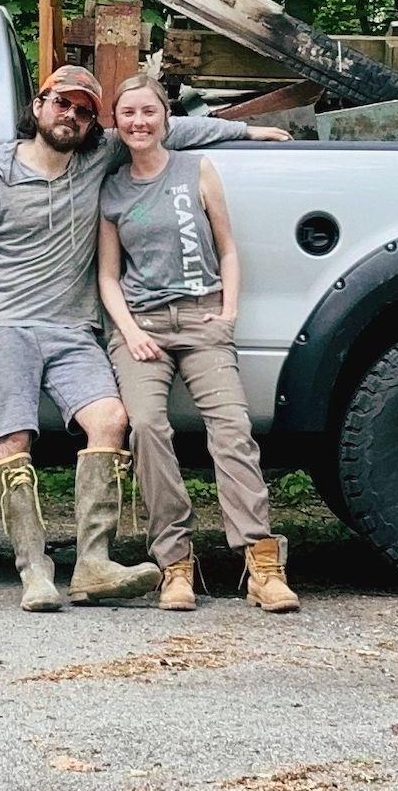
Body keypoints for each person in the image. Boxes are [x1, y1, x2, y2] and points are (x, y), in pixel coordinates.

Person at [0, 63, 287, 610]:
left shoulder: (98, 156)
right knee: (13, 439)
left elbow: (162, 126)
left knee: (111, 419)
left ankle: (93, 565)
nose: (71, 116)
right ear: (39, 107)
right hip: (4, 328)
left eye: (83, 110)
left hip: (73, 330)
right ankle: (34, 572)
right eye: (62, 104)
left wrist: (246, 131)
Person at [98, 74, 300, 613]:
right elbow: (108, 277)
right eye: (127, 115)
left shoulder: (197, 170)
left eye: (148, 112)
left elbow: (228, 249)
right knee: (146, 427)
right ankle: (175, 565)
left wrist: (227, 314)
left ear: (166, 119)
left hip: (203, 318)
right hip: (140, 325)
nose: (139, 122)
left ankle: (261, 563)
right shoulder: (112, 188)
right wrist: (133, 333)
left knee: (232, 428)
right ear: (116, 125)